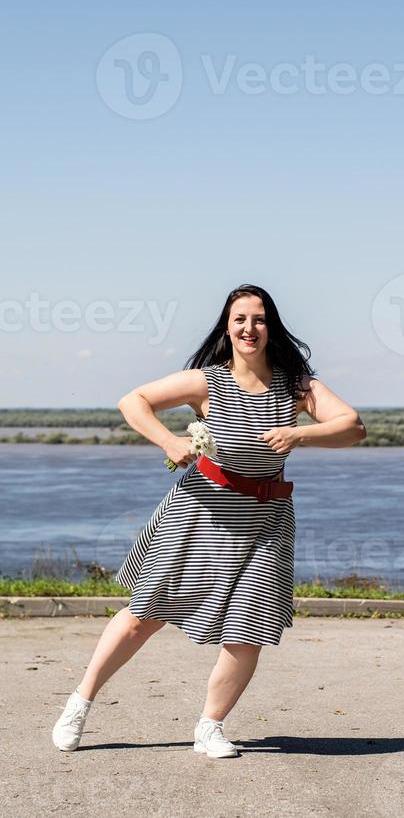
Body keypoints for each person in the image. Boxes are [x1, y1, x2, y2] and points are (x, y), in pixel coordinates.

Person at [52, 283, 367, 758]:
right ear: (228, 326)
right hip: (200, 517)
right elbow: (132, 401)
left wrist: (301, 436)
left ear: (271, 326)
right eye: (240, 319)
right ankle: (80, 702)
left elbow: (353, 427)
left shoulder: (297, 386)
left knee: (251, 628)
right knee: (144, 616)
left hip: (267, 523)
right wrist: (168, 442)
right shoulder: (206, 381)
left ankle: (210, 727)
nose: (250, 328)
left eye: (259, 319)